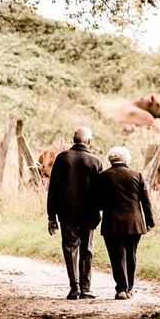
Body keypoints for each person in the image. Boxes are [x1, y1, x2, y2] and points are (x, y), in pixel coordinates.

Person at [47, 127, 102, 300]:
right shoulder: (95, 161)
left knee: (70, 248)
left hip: (67, 212)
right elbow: (100, 191)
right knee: (87, 249)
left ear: (73, 139)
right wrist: (100, 210)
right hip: (89, 213)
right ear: (89, 142)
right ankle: (86, 289)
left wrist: (51, 216)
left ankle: (74, 287)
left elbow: (53, 189)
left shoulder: (63, 158)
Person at [97, 146, 155, 300]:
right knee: (131, 255)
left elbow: (98, 202)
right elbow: (146, 202)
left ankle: (121, 288)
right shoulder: (137, 175)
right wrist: (149, 221)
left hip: (112, 223)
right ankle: (129, 288)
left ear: (111, 159)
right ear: (127, 159)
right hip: (134, 223)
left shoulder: (103, 176)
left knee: (117, 256)